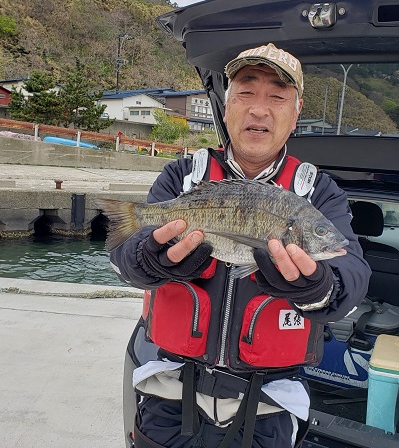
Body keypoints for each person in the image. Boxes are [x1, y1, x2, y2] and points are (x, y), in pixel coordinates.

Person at [110, 43, 371, 448]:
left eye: (277, 97)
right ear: (227, 106)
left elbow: (352, 273)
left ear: (296, 112)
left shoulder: (319, 193)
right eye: (246, 93)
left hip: (268, 405)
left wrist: (320, 287)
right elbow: (125, 259)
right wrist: (149, 258)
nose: (259, 110)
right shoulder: (182, 176)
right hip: (169, 394)